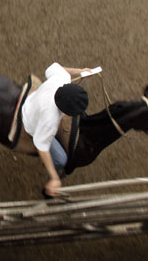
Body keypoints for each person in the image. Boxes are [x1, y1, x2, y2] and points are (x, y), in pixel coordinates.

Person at [21, 62, 92, 197]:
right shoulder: (51, 120)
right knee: (60, 159)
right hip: (30, 121)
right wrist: (54, 178)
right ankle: (50, 183)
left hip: (34, 100)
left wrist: (81, 71)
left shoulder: (62, 79)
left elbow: (57, 69)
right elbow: (41, 144)